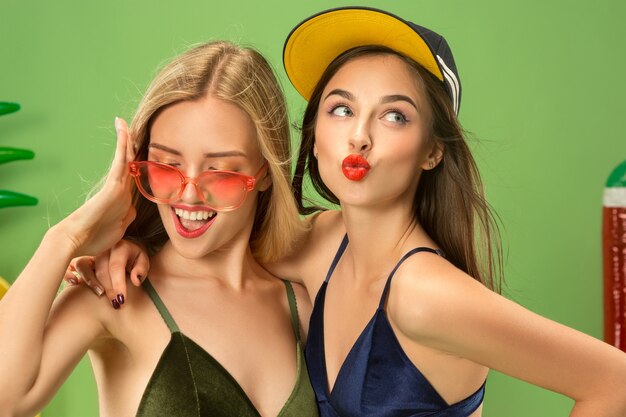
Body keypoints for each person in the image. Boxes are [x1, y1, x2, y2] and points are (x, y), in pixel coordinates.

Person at [69, 7, 626, 417]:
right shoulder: (320, 247)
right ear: (312, 135)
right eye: (341, 109)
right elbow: (215, 237)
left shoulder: (425, 294)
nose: (358, 136)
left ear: (434, 151)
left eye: (395, 117)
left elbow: (614, 382)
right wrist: (135, 244)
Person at [0, 41, 319, 417]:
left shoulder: (301, 305)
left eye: (219, 170)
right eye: (167, 164)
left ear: (265, 173)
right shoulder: (115, 293)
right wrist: (64, 240)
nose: (189, 194)